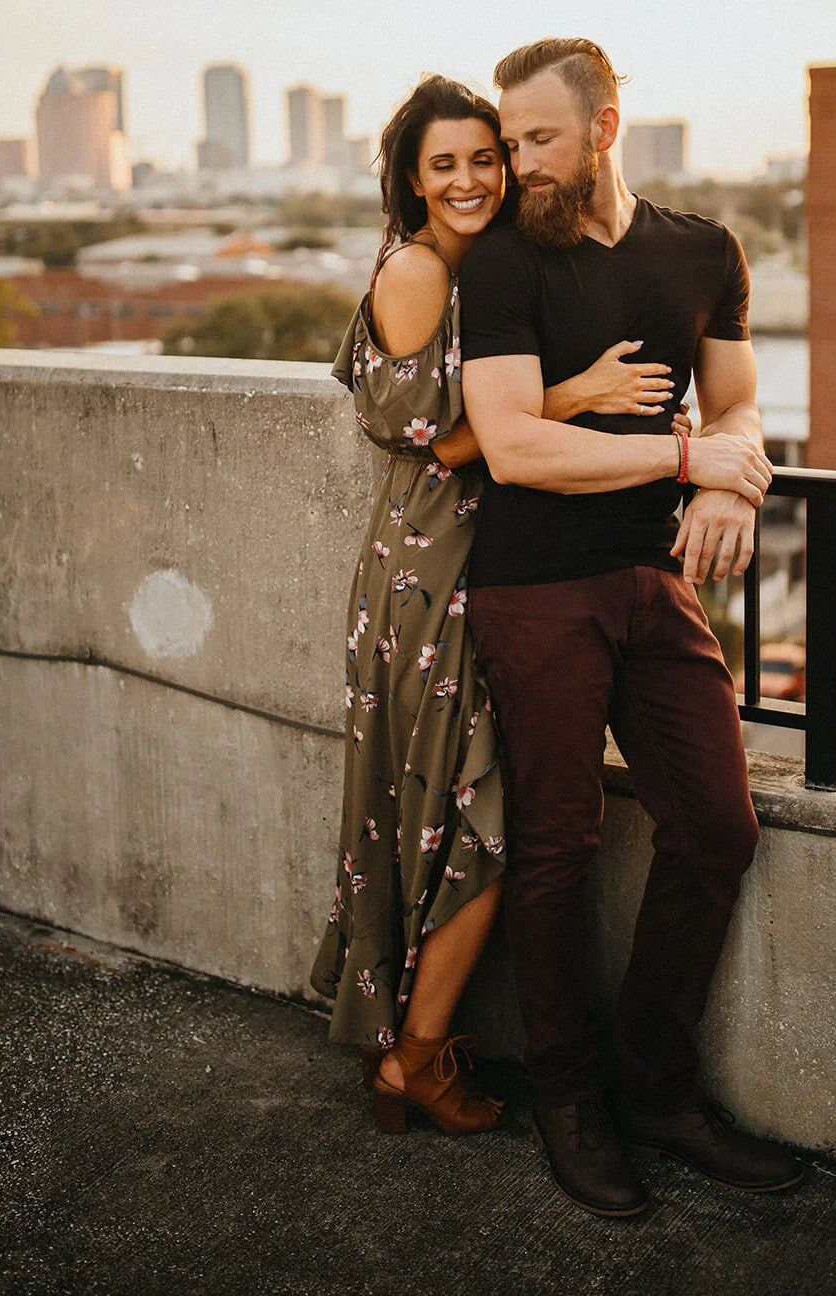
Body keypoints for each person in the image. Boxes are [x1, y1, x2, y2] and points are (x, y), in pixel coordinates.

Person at [459, 38, 803, 1215]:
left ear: (603, 127)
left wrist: (729, 484)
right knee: (556, 840)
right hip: (533, 587)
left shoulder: (702, 249)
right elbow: (513, 445)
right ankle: (567, 1097)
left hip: (654, 581)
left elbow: (739, 403)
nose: (517, 163)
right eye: (508, 140)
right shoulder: (500, 262)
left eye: (538, 138)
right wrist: (682, 457)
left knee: (714, 824)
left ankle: (655, 1089)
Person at [310, 74, 688, 1137]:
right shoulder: (418, 271)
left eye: (488, 157)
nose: (474, 178)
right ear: (411, 180)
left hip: (485, 563)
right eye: (445, 164)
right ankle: (417, 1059)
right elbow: (437, 443)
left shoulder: (496, 267)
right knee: (483, 816)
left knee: (460, 812)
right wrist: (573, 396)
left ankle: (408, 1046)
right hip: (430, 572)